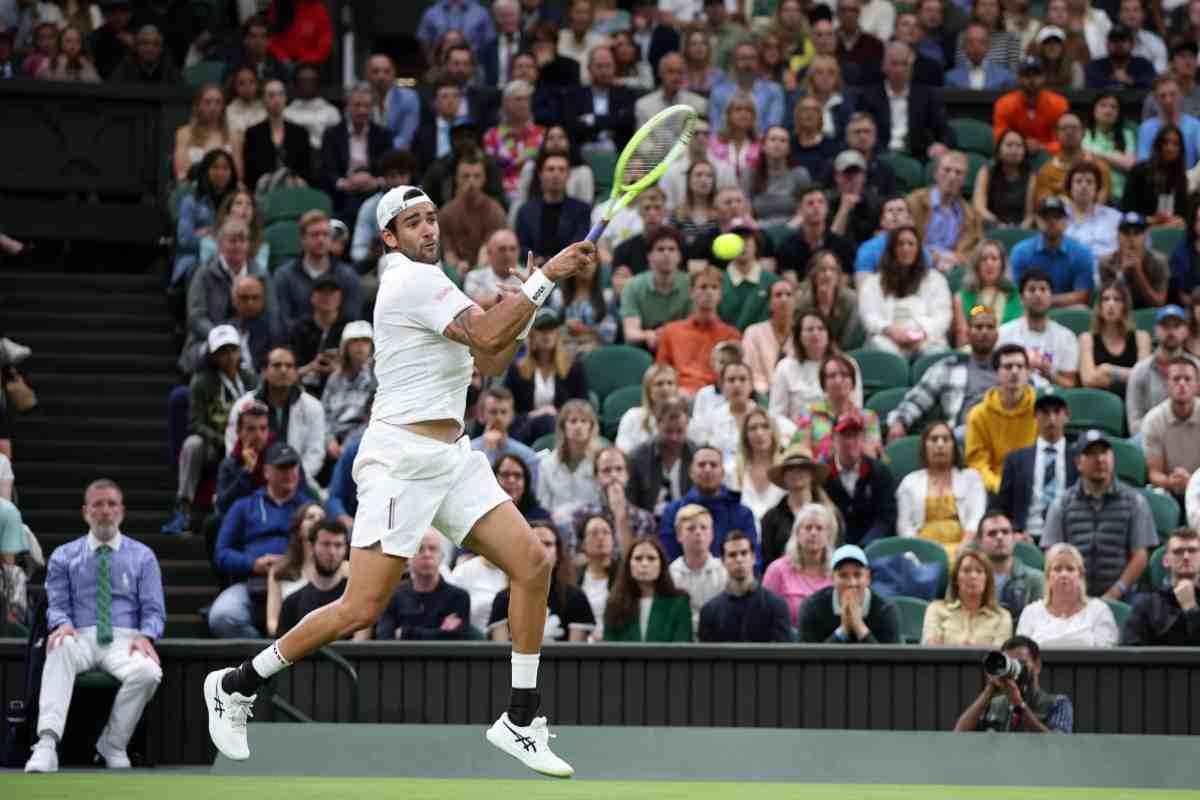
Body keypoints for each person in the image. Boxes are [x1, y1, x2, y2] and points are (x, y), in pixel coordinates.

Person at [205, 183, 596, 775]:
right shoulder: (410, 280)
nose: (429, 230)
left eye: (432, 219)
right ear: (389, 237)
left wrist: (527, 304)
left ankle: (520, 718)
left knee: (533, 563)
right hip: (400, 462)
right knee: (360, 606)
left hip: (453, 458)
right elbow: (489, 336)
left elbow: (488, 361)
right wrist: (548, 279)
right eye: (413, 223)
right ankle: (236, 684)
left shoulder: (441, 286)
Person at [22, 480, 164, 774]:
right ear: (86, 511)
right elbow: (57, 603)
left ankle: (113, 744)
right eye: (98, 504)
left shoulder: (143, 556)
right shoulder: (64, 555)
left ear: (121, 511)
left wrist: (146, 636)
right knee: (58, 645)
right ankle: (46, 745)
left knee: (149, 672)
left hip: (125, 640)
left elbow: (153, 609)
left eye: (111, 504)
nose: (105, 511)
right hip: (80, 634)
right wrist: (61, 624)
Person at [209, 443, 314, 638]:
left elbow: (324, 547)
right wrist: (253, 564)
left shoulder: (310, 510)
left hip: (298, 581)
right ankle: (262, 657)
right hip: (253, 582)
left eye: (293, 466)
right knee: (222, 616)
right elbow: (222, 553)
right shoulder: (244, 506)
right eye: (282, 467)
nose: (289, 472)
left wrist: (291, 561)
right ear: (267, 471)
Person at [163, 326, 260, 535]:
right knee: (192, 444)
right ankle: (184, 506)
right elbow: (195, 423)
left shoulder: (251, 379)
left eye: (233, 350)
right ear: (213, 356)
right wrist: (222, 439)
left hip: (248, 440)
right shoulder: (201, 382)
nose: (229, 356)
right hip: (214, 443)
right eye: (222, 352)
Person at [1041, 431, 1158, 601]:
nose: (1100, 459)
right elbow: (1051, 553)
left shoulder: (1135, 501)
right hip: (1072, 593)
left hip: (1123, 595)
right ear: (1078, 463)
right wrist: (1074, 591)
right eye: (1091, 454)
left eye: (1104, 452)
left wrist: (1116, 592)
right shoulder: (1062, 504)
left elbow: (1140, 555)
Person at [886, 307, 1001, 445]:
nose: (984, 332)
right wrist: (899, 422)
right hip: (960, 440)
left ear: (997, 335)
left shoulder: (1011, 367)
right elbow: (918, 398)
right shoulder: (948, 367)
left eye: (990, 327)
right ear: (968, 333)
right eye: (978, 327)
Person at [488, 521, 595, 643]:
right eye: (533, 543)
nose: (540, 550)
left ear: (558, 554)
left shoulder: (576, 598)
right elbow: (499, 654)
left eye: (547, 544)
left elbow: (576, 656)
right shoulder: (503, 599)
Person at [897, 422, 988, 562]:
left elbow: (976, 518)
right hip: (921, 553)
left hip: (963, 549)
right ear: (924, 446)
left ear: (954, 446)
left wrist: (965, 546)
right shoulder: (909, 482)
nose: (940, 444)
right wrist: (919, 552)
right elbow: (904, 526)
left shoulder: (971, 478)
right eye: (934, 439)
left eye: (946, 439)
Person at [859, 224, 953, 356]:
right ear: (892, 249)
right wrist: (890, 331)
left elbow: (943, 316)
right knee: (880, 349)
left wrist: (922, 334)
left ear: (918, 249)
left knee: (935, 352)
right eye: (900, 244)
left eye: (911, 244)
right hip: (887, 338)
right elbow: (868, 315)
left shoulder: (936, 279)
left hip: (925, 338)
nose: (906, 248)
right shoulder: (873, 282)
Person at [994, 391, 1077, 540]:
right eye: (1045, 412)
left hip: (1068, 535)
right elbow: (1002, 507)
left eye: (1057, 412)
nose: (1051, 418)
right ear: (1035, 417)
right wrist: (1013, 533)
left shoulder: (1079, 458)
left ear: (1067, 416)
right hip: (1026, 535)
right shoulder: (1016, 460)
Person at [657, 444, 758, 564]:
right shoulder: (673, 512)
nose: (707, 469)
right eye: (701, 464)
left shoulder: (742, 514)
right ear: (691, 472)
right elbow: (668, 558)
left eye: (713, 465)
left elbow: (753, 560)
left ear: (722, 473)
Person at [691, 362, 796, 476]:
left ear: (751, 385)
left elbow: (794, 434)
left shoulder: (766, 418)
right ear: (722, 385)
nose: (737, 385)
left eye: (742, 379)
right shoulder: (709, 420)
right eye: (731, 380)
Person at [952, 635, 1074, 732]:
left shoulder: (1058, 703)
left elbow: (1058, 745)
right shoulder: (994, 704)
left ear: (1037, 665)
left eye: (1021, 662)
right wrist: (988, 691)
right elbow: (959, 735)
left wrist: (1019, 705)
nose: (1015, 667)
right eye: (1010, 663)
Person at [858, 42, 954, 162]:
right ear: (884, 66)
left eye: (904, 64)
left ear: (911, 67)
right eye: (894, 64)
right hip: (878, 157)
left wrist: (941, 145)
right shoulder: (869, 97)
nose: (899, 69)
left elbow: (945, 131)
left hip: (918, 157)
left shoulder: (926, 96)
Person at [964, 343, 1039, 494]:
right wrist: (1001, 487)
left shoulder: (1041, 411)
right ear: (996, 373)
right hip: (993, 490)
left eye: (1020, 366)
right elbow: (978, 465)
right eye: (1008, 366)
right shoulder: (978, 415)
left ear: (1027, 372)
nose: (1015, 371)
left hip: (1033, 487)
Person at [654, 268, 740, 399]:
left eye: (714, 287)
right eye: (703, 287)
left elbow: (732, 376)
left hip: (716, 396)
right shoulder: (671, 331)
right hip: (677, 396)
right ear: (691, 292)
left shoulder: (731, 335)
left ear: (720, 294)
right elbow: (661, 372)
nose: (709, 292)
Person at [1016, 542, 1120, 646]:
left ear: (1080, 575)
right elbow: (1021, 655)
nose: (1064, 574)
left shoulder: (1099, 611)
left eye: (1070, 569)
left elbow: (1106, 655)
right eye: (1057, 569)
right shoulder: (1031, 613)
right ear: (1048, 576)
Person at [276, 521, 367, 640]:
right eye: (325, 544)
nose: (332, 552)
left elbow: (360, 647)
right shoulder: (292, 603)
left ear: (346, 549)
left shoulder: (357, 599)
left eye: (338, 545)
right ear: (311, 547)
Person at [696, 531, 793, 642]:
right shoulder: (709, 612)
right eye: (732, 555)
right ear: (722, 561)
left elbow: (783, 655)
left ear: (753, 557)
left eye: (744, 553)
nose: (739, 559)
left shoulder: (776, 606)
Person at [374, 530, 470, 640]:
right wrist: (439, 633)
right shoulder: (392, 596)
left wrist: (405, 633)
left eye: (433, 549)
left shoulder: (458, 597)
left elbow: (458, 639)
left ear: (441, 556)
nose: (427, 554)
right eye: (419, 549)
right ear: (407, 557)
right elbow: (385, 639)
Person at [275, 211, 363, 329]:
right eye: (315, 234)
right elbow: (282, 320)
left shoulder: (348, 276)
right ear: (303, 238)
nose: (321, 240)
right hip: (296, 341)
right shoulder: (284, 276)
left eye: (325, 234)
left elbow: (352, 319)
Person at [997, 267, 1082, 388]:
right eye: (1032, 290)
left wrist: (1049, 375)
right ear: (1021, 298)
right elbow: (995, 378)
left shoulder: (1066, 337)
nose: (1038, 294)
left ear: (1051, 297)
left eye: (1043, 289)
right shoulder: (1003, 333)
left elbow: (1069, 385)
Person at [771, 311, 864, 421]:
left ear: (828, 334)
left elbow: (856, 406)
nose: (816, 334)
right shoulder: (784, 367)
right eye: (810, 329)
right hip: (796, 432)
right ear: (799, 336)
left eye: (821, 329)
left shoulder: (847, 364)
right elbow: (776, 415)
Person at [798, 544, 900, 643]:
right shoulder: (812, 607)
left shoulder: (885, 609)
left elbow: (890, 659)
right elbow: (809, 658)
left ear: (868, 577)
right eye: (843, 575)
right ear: (832, 578)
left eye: (857, 575)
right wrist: (843, 630)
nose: (852, 583)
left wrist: (859, 627)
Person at [319, 85, 391, 223]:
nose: (362, 110)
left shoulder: (382, 135)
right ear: (348, 107)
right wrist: (344, 184)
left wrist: (376, 182)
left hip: (374, 192)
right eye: (357, 105)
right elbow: (327, 171)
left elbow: (389, 169)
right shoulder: (332, 134)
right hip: (343, 194)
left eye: (367, 106)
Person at [822, 413, 896, 546]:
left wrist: (866, 545)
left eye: (855, 435)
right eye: (844, 435)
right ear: (833, 439)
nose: (850, 442)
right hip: (831, 546)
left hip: (871, 546)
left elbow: (886, 518)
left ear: (863, 439)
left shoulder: (879, 472)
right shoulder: (822, 475)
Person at [760, 444, 841, 565]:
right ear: (783, 476)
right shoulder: (771, 518)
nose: (796, 472)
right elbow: (767, 560)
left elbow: (838, 551)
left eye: (802, 467)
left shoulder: (830, 514)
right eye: (790, 468)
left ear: (812, 474)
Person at [1127, 305, 1200, 437]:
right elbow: (1134, 423)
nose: (1171, 331)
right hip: (1150, 440)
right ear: (1156, 330)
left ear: (1185, 331)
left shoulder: (1197, 368)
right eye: (1165, 326)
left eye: (1176, 326)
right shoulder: (1140, 371)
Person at [603, 536, 693, 641]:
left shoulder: (679, 603)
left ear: (661, 565)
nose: (644, 564)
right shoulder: (614, 604)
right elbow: (609, 647)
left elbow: (682, 648)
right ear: (628, 565)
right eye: (638, 558)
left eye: (651, 558)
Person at [761, 502, 836, 627]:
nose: (813, 533)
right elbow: (763, 614)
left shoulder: (837, 570)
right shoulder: (777, 570)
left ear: (828, 535)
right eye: (808, 527)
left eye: (819, 528)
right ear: (797, 533)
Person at [569, 447, 655, 553]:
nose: (614, 475)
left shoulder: (644, 518)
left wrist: (620, 516)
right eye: (606, 470)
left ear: (627, 475)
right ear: (596, 477)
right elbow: (572, 560)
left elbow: (634, 562)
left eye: (619, 469)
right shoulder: (580, 515)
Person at [172, 149, 238, 287]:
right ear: (206, 171)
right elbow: (184, 239)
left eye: (225, 168)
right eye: (215, 167)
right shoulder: (190, 201)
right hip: (195, 260)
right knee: (203, 271)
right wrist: (220, 238)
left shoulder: (238, 202)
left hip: (232, 260)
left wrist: (208, 233)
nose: (220, 172)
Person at [1124, 527, 1200, 646]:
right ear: (1166, 561)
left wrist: (1191, 609)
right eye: (1178, 551)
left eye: (1192, 550)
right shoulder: (1147, 607)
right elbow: (1131, 653)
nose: (1186, 556)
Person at [922, 548, 1014, 646]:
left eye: (979, 571)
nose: (973, 576)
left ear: (987, 580)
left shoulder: (1002, 617)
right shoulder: (936, 609)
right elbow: (932, 651)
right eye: (966, 571)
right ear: (956, 579)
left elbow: (998, 657)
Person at [515, 153, 592, 265]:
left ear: (568, 175)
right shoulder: (525, 210)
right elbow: (521, 246)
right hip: (534, 270)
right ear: (540, 174)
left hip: (569, 271)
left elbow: (579, 244)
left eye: (562, 170)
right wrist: (537, 261)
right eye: (550, 169)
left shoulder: (582, 210)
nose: (556, 174)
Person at [1079, 281, 1151, 398]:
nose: (1111, 304)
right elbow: (1088, 380)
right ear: (1099, 306)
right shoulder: (1087, 338)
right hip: (1100, 401)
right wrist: (1127, 376)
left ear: (1125, 306)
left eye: (1117, 299)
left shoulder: (1141, 337)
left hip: (1134, 399)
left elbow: (1144, 377)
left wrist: (1108, 370)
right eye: (1106, 299)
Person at [265, 504, 328, 637]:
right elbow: (272, 621)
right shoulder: (279, 570)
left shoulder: (343, 569)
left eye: (321, 518)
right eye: (310, 517)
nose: (317, 520)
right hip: (290, 644)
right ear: (298, 529)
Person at [240, 79, 312, 196]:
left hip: (294, 191)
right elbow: (250, 174)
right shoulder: (253, 134)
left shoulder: (300, 133)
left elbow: (306, 171)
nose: (277, 99)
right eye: (271, 95)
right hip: (264, 192)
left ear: (285, 98)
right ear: (263, 100)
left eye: (280, 94)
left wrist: (295, 180)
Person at [628, 395, 696, 517]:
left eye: (680, 431)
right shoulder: (637, 458)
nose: (674, 438)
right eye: (668, 432)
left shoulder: (697, 455)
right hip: (650, 524)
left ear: (687, 424)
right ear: (658, 424)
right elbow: (631, 504)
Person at [1143, 357, 1200, 502]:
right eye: (1176, 379)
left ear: (1197, 385)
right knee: (1156, 498)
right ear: (1167, 384)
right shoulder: (1153, 420)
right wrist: (1170, 481)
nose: (1182, 384)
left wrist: (1193, 482)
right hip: (1167, 487)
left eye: (1187, 379)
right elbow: (1154, 473)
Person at [535, 399, 601, 522]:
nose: (578, 426)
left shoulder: (600, 461)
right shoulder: (547, 463)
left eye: (584, 421)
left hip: (592, 524)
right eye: (573, 421)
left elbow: (603, 503)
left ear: (591, 426)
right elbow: (544, 504)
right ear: (563, 426)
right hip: (557, 525)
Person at [667, 504, 729, 632]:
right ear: (679, 535)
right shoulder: (670, 574)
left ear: (712, 534)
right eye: (691, 528)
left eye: (704, 528)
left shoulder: (724, 571)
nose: (698, 532)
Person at [977, 511, 1045, 625]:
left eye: (1005, 532)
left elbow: (1039, 625)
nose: (999, 537)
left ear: (1013, 538)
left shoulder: (1036, 579)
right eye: (992, 533)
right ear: (979, 541)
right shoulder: (967, 578)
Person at [1031, 113, 1113, 207]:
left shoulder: (1100, 167)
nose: (1069, 132)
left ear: (1083, 132)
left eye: (1074, 128)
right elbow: (1044, 204)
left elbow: (1101, 201)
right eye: (1064, 128)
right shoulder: (1046, 171)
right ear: (1056, 135)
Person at [776, 187, 857, 283]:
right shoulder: (787, 246)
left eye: (821, 202)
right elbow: (792, 285)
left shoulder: (843, 246)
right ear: (799, 210)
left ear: (827, 208)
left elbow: (843, 283)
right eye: (810, 203)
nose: (816, 206)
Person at [321, 322, 374, 459]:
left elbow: (372, 420)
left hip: (362, 446)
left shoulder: (377, 379)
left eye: (365, 341)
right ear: (345, 347)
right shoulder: (334, 379)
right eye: (355, 341)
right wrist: (329, 440)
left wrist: (348, 446)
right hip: (331, 445)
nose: (360, 346)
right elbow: (324, 414)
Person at [709, 41, 785, 134]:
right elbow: (716, 128)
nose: (747, 63)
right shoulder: (719, 92)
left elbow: (772, 126)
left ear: (759, 62)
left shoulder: (773, 90)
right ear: (734, 62)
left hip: (762, 144)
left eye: (752, 58)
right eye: (742, 58)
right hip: (726, 144)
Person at [1123, 125, 1191, 228]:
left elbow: (1184, 215)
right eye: (1166, 143)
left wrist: (1180, 220)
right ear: (1158, 145)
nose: (1170, 148)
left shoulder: (1181, 178)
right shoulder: (1139, 171)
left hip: (1171, 232)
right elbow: (1126, 211)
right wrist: (1151, 220)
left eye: (1175, 144)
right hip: (1141, 230)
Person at [1097, 212, 1169, 309]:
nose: (1131, 239)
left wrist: (1138, 274)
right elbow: (1106, 305)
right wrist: (1122, 274)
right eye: (1126, 233)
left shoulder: (1158, 261)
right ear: (1118, 237)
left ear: (1145, 237)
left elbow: (1158, 303)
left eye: (1137, 233)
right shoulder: (1106, 262)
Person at [471, 386, 540, 481]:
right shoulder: (469, 451)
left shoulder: (527, 456)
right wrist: (489, 452)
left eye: (503, 412)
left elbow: (532, 494)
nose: (498, 417)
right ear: (481, 415)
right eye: (493, 412)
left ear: (512, 416)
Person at [796, 250, 861, 348]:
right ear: (813, 274)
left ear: (838, 274)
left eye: (832, 270)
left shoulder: (850, 301)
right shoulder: (802, 302)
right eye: (822, 270)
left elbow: (847, 341)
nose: (828, 275)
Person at [173, 84, 236, 184]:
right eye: (207, 102)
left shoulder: (233, 136)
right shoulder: (184, 133)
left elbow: (237, 175)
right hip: (193, 189)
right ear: (197, 106)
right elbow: (182, 174)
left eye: (218, 102)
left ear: (223, 107)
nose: (213, 107)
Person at [1137, 74, 1200, 169]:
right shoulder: (1146, 128)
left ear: (1181, 95)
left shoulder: (1195, 126)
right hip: (1155, 180)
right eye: (1162, 96)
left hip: (1189, 180)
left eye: (1173, 94)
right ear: (1155, 99)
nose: (1168, 101)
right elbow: (1143, 162)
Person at [1083, 92, 1136, 203]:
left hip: (1120, 196)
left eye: (1113, 107)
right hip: (1093, 195)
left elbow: (1129, 164)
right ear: (1094, 110)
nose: (1108, 110)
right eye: (1103, 105)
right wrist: (1117, 159)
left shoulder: (1127, 135)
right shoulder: (1084, 135)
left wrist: (1097, 155)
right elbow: (1086, 162)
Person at [974, 130, 1033, 228]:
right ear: (999, 149)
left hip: (1021, 229)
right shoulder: (987, 172)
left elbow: (1030, 215)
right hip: (992, 226)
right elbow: (979, 207)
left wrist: (1019, 230)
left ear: (1024, 151)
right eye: (1009, 145)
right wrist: (998, 224)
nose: (1014, 150)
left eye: (1019, 146)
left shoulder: (1031, 175)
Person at [1065, 161, 1121, 261]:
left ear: (1097, 189)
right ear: (1070, 188)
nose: (1084, 186)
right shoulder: (1058, 216)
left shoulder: (1115, 217)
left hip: (1106, 273)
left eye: (1089, 182)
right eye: (1078, 181)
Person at [614, 364, 676, 454]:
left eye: (670, 383)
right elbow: (623, 453)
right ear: (648, 390)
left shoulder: (683, 419)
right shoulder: (632, 416)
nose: (665, 388)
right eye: (659, 384)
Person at [283, 62, 342, 152]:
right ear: (296, 82)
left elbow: (336, 144)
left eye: (311, 80)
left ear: (318, 82)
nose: (307, 84)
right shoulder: (286, 113)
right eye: (303, 80)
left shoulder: (331, 112)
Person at [946, 20, 1016, 89]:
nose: (976, 47)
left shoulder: (1005, 77)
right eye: (971, 42)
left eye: (981, 42)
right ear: (964, 46)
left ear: (989, 45)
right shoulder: (951, 78)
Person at [1085, 24, 1155, 89]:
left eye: (1123, 40)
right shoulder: (1096, 65)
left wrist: (1129, 80)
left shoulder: (1143, 64)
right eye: (1114, 40)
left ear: (1132, 44)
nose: (1118, 44)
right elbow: (1092, 83)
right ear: (1107, 45)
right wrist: (1116, 81)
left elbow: (1151, 82)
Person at [112, 23, 177, 84]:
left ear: (161, 49)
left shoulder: (170, 71)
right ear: (136, 47)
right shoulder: (124, 69)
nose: (150, 49)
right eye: (144, 43)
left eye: (156, 44)